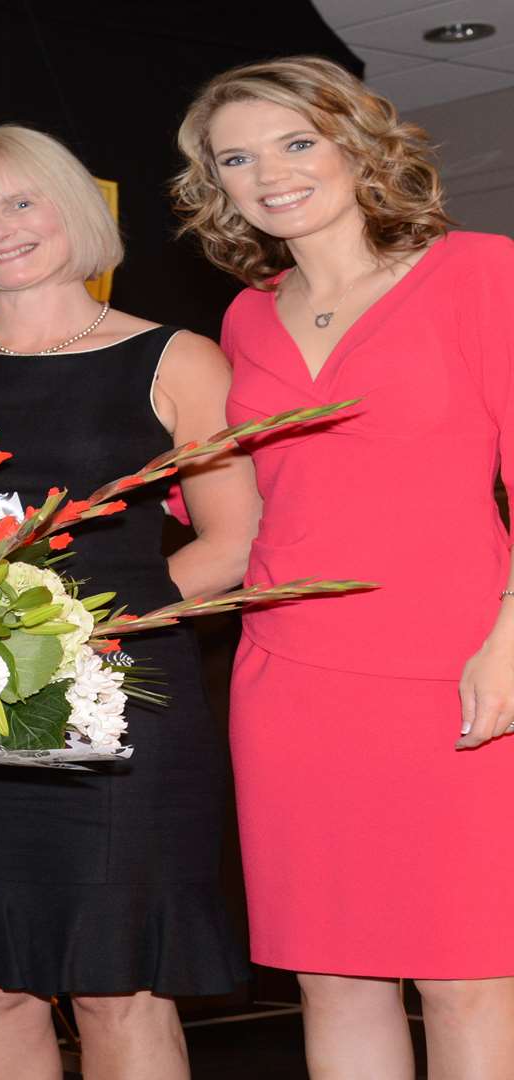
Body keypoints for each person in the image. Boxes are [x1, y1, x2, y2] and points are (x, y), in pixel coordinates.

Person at [0, 126, 260, 1080]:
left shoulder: (178, 359)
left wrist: (66, 635)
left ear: (74, 207)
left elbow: (233, 542)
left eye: (21, 203)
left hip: (122, 709)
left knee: (120, 988)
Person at [173, 56, 514, 1079]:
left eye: (295, 142)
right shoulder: (243, 319)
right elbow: (257, 508)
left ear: (357, 143)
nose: (268, 172)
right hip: (290, 679)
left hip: (458, 668)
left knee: (466, 974)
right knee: (334, 976)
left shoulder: (483, 272)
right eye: (237, 156)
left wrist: (510, 638)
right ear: (217, 183)